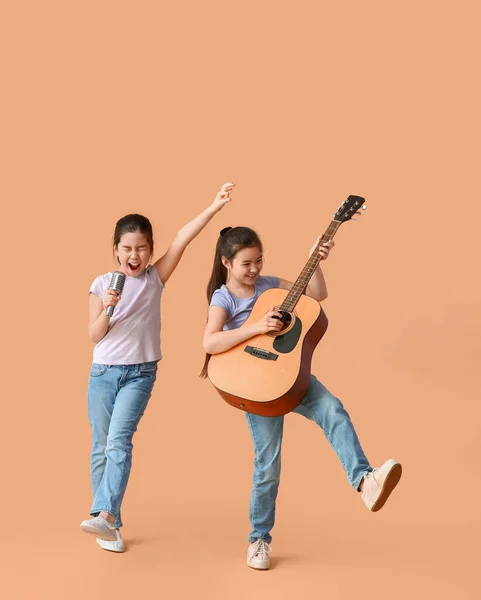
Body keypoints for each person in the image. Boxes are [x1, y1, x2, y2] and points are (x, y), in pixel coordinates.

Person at [201, 223, 402, 570]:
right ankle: (258, 540)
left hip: (288, 374)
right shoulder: (224, 298)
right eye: (247, 264)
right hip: (254, 384)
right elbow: (209, 342)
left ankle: (365, 481)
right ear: (226, 263)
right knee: (269, 465)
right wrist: (257, 327)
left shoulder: (268, 285)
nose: (254, 270)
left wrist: (315, 260)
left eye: (259, 261)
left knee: (333, 409)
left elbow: (317, 295)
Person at [80, 182, 235, 552]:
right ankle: (110, 524)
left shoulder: (154, 278)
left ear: (150, 249)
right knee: (100, 446)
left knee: (118, 440)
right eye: (127, 249)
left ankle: (105, 516)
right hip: (102, 374)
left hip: (139, 373)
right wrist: (109, 305)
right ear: (115, 250)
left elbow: (183, 237)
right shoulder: (102, 285)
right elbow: (94, 335)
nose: (134, 255)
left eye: (142, 248)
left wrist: (213, 207)